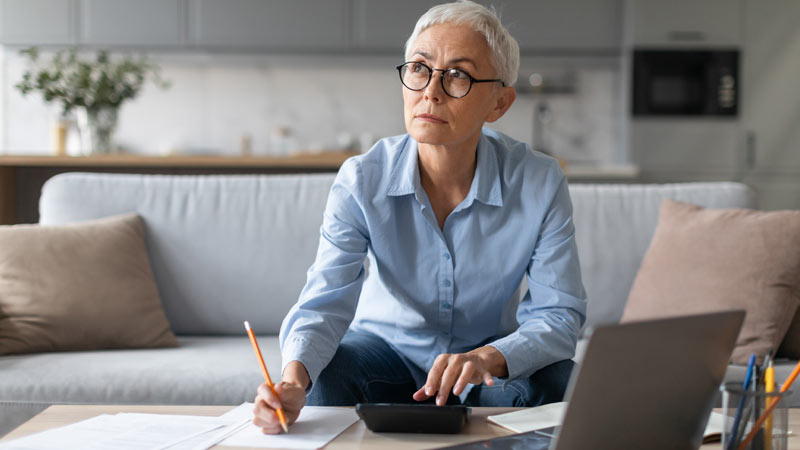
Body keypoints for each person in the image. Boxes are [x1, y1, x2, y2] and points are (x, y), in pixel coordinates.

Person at [253, 0, 587, 434]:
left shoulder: (539, 182)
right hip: (381, 357)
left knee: (559, 377)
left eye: (458, 76)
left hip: (480, 367)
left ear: (499, 103)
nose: (430, 91)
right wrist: (291, 381)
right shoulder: (362, 179)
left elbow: (558, 315)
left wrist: (489, 357)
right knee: (325, 376)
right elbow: (325, 299)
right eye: (419, 69)